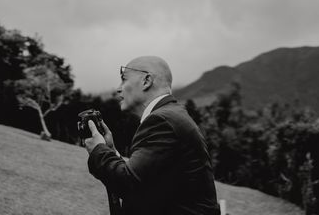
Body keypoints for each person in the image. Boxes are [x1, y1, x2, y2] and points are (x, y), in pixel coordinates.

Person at [84, 56, 220, 215]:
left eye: (123, 80)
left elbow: (128, 184)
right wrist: (111, 151)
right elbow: (145, 185)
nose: (118, 89)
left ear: (146, 80)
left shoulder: (161, 121)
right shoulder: (170, 115)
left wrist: (98, 150)